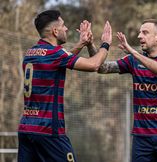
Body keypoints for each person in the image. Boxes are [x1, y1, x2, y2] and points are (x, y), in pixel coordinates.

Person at [17, 10, 112, 162]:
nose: (66, 28)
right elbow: (94, 65)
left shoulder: (32, 52)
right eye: (63, 25)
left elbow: (60, 60)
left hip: (27, 129)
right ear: (55, 31)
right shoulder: (55, 54)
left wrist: (81, 43)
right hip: (49, 131)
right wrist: (106, 44)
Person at [96, 19, 157, 162]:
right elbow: (101, 68)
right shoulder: (133, 61)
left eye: (145, 32)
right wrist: (97, 46)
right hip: (141, 137)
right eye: (139, 32)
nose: (139, 36)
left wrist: (132, 51)